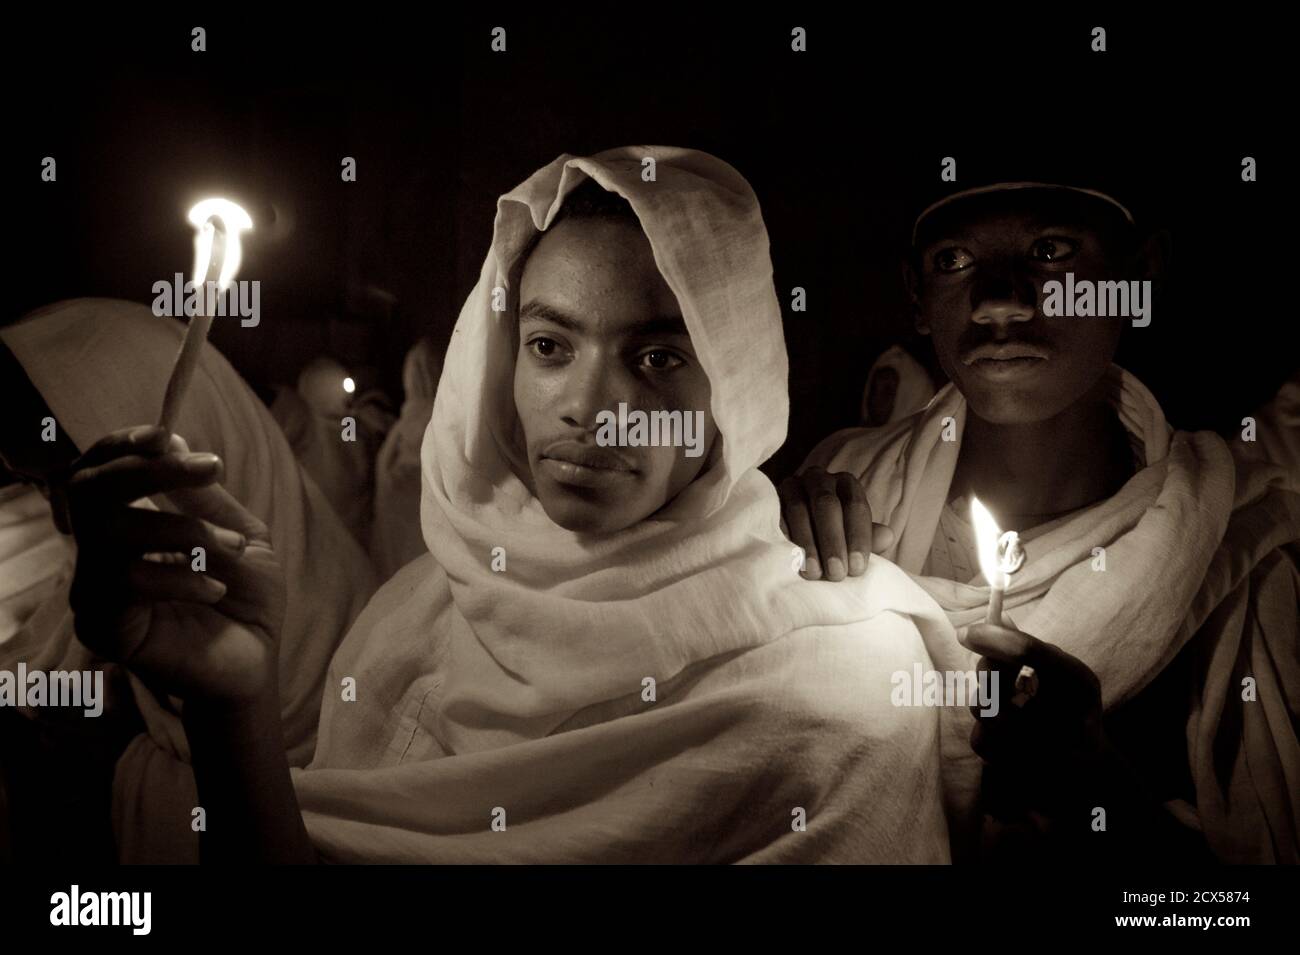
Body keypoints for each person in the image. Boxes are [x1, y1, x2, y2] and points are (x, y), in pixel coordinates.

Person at [56, 148, 958, 864]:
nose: (586, 405)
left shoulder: (843, 687)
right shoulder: (420, 610)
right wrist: (233, 705)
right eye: (549, 344)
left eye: (656, 357)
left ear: (742, 383)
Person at [780, 182, 1300, 863]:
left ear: (1138, 277)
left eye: (1050, 250)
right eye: (954, 259)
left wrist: (1093, 792)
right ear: (915, 295)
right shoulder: (840, 486)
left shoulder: (1231, 557)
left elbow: (1217, 909)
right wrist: (767, 559)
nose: (999, 298)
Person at [0, 298, 376, 862]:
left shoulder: (377, 656)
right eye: (36, 485)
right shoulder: (118, 586)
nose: (61, 521)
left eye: (74, 482)